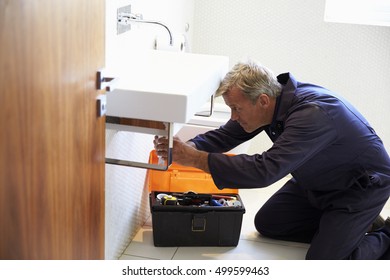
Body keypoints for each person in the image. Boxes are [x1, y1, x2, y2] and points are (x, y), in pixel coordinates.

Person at [153, 60, 390, 259]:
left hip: (358, 188)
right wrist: (185, 149)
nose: (233, 117)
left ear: (263, 101)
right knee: (269, 223)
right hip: (316, 180)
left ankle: (383, 233)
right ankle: (352, 227)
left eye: (236, 109)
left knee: (324, 261)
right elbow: (227, 134)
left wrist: (196, 159)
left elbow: (264, 170)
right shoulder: (273, 103)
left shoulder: (313, 114)